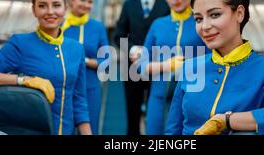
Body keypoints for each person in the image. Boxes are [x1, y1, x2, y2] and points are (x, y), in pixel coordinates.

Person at [165, 0, 264, 135]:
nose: (205, 26)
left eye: (215, 15)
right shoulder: (190, 67)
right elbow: (173, 131)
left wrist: (224, 120)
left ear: (239, 14)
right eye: (198, 19)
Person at [0, 0, 92, 135]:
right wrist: (23, 80)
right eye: (42, 6)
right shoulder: (20, 44)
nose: (50, 11)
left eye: (56, 5)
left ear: (65, 9)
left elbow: (79, 99)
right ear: (34, 10)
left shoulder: (76, 48)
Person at [138, 0, 207, 135]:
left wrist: (191, 67)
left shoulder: (202, 23)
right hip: (159, 97)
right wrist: (166, 65)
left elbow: (214, 60)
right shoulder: (158, 24)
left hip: (193, 97)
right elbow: (141, 65)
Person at [112, 0, 170, 135]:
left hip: (159, 69)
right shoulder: (129, 4)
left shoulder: (167, 4)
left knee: (158, 111)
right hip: (132, 67)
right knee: (132, 111)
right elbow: (118, 34)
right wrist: (132, 49)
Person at [62, 0, 110, 135]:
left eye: (90, 2)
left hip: (90, 86)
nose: (86, 5)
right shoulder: (59, 25)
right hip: (65, 87)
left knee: (90, 128)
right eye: (82, 0)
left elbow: (106, 61)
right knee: (65, 129)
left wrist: (85, 61)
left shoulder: (97, 27)